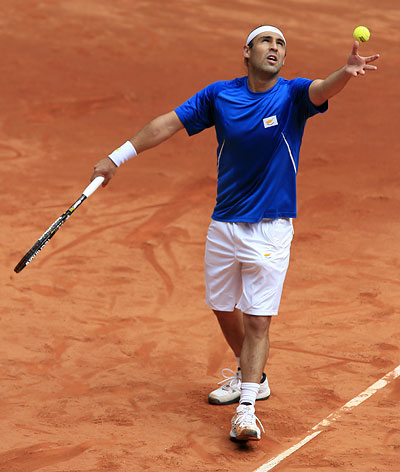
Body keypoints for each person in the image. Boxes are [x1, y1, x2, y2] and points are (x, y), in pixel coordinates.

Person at [90, 25, 379, 442]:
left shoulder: (293, 95)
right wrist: (116, 157)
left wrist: (345, 72)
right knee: (223, 307)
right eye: (266, 41)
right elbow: (167, 124)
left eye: (281, 44)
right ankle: (253, 377)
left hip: (271, 227)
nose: (275, 48)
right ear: (247, 52)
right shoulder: (219, 95)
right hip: (224, 223)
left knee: (258, 320)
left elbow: (322, 89)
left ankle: (246, 410)